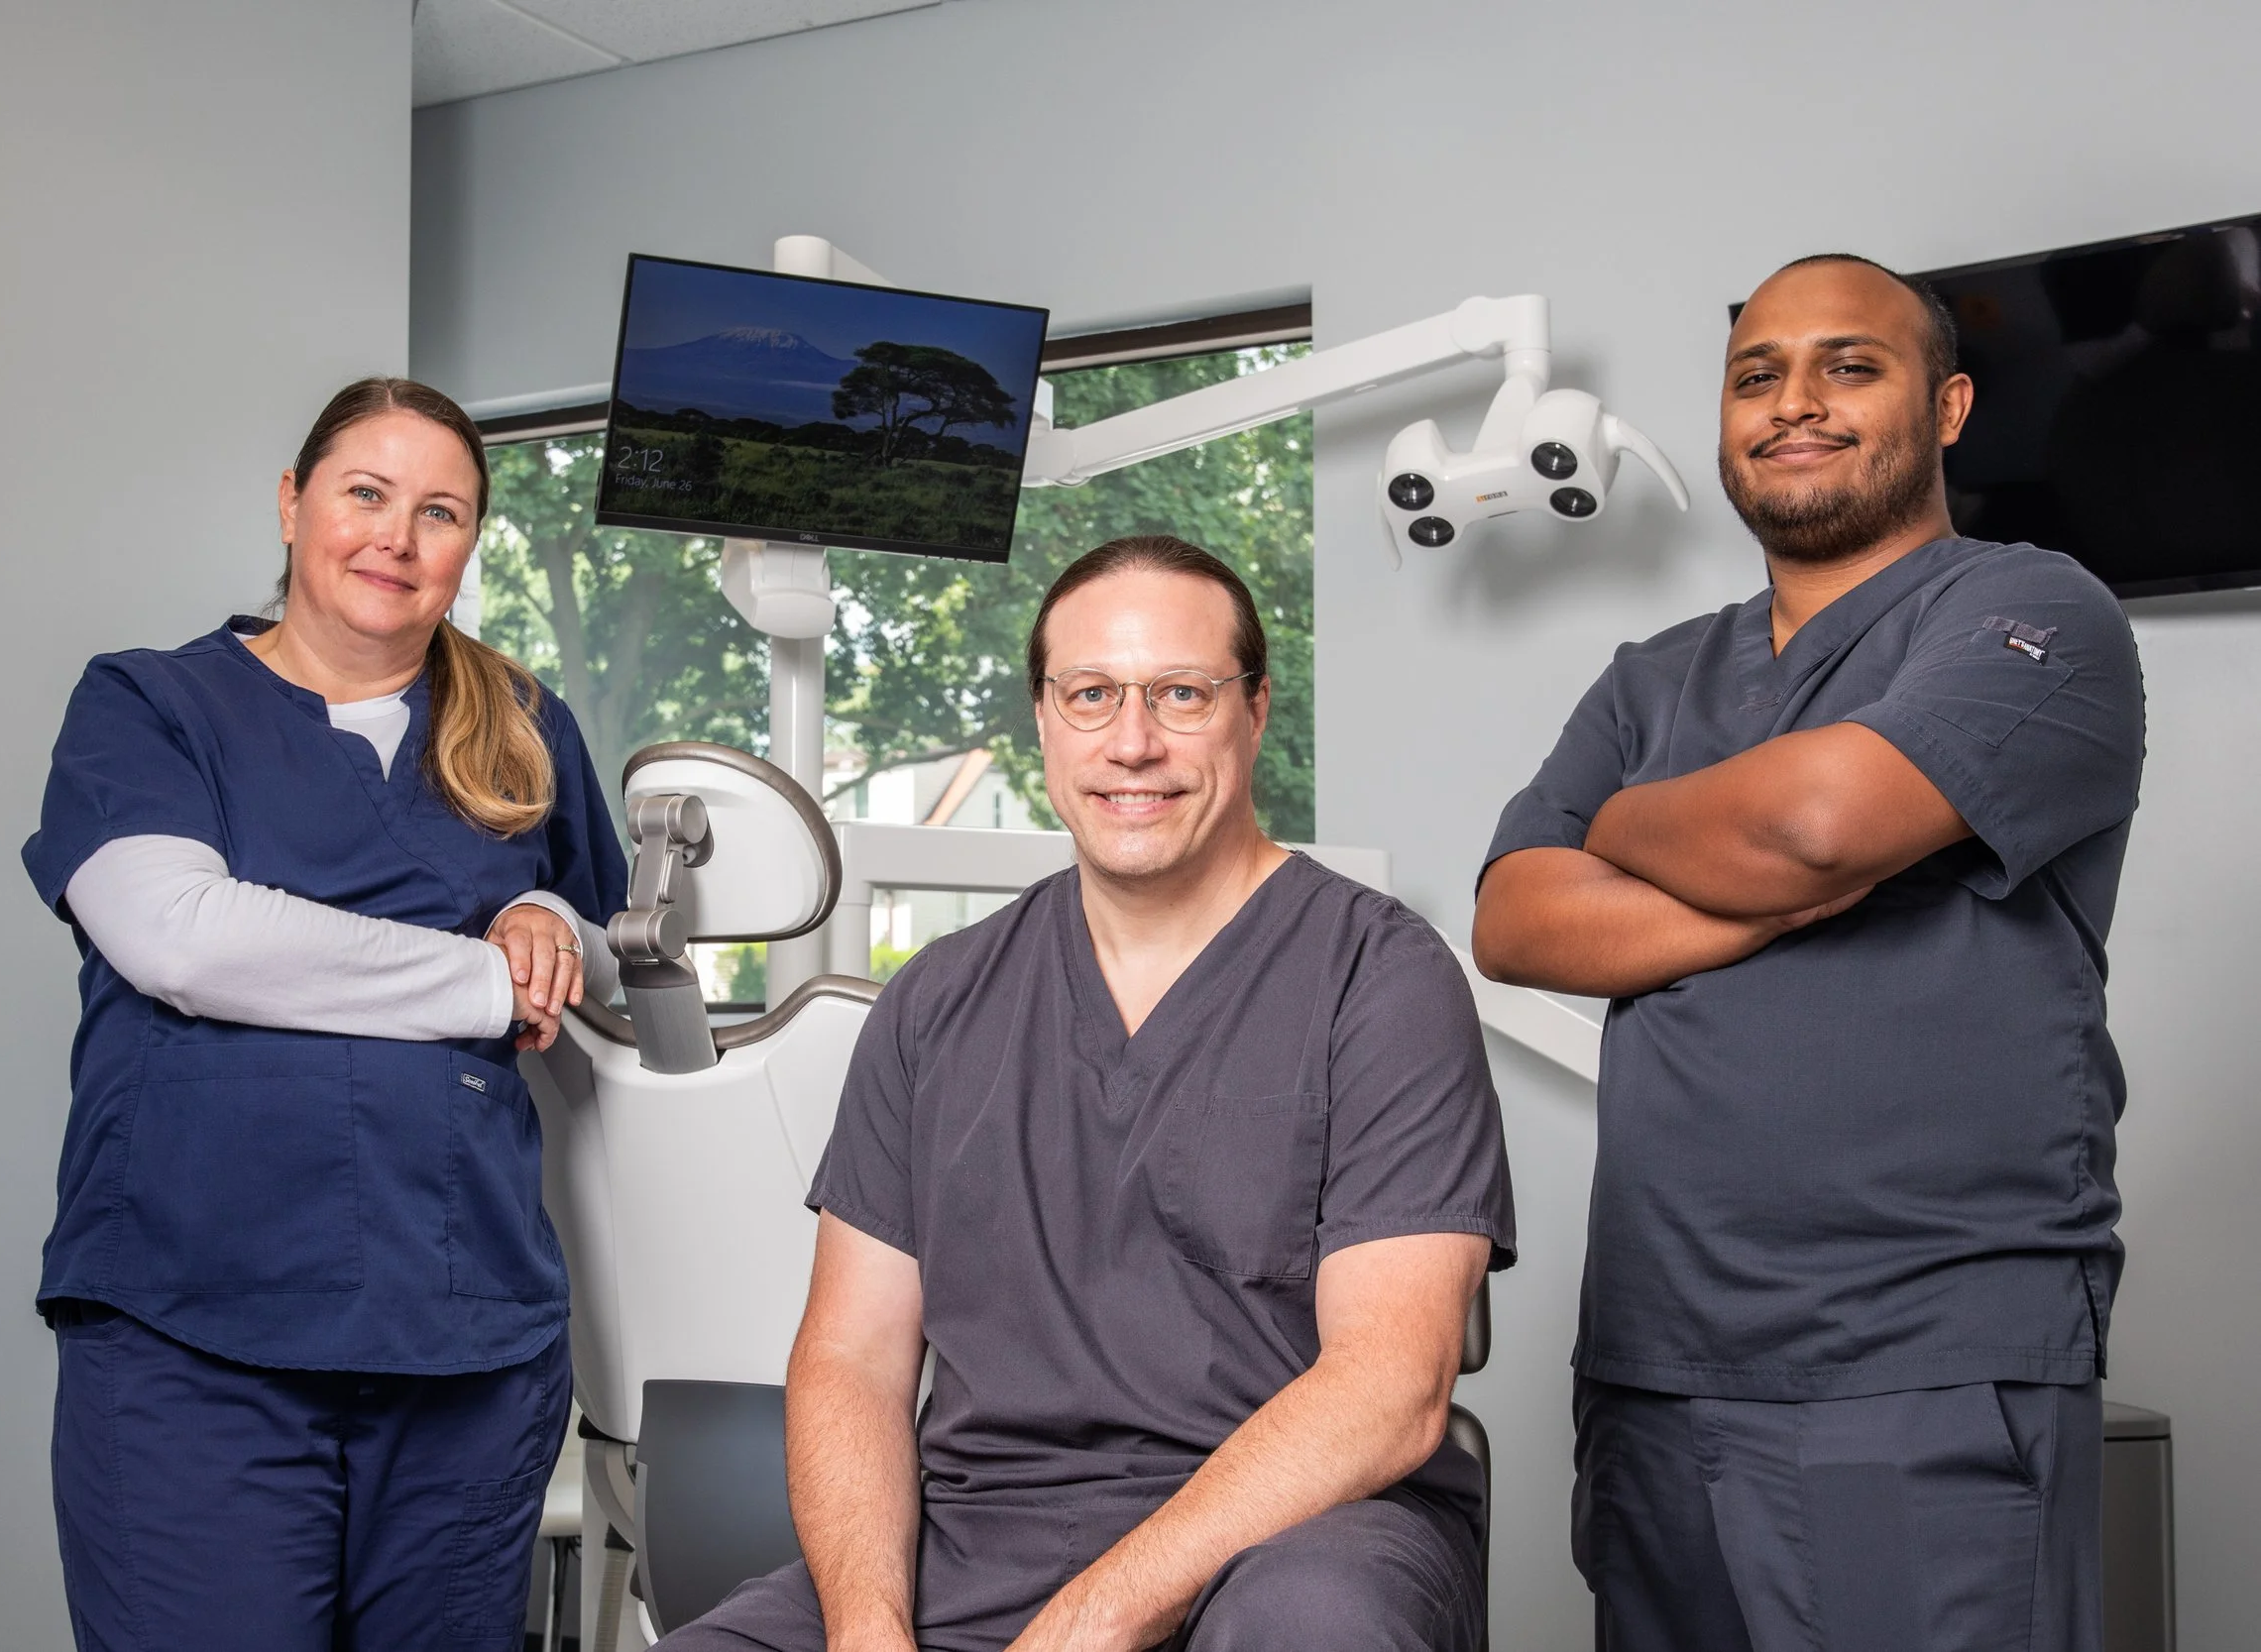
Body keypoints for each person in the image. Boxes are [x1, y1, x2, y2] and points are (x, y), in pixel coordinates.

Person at [659, 535, 1516, 1652]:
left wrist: (1086, 1625)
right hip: (977, 1542)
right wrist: (870, 1632)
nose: (1133, 741)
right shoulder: (937, 1001)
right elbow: (853, 1357)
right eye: (1092, 693)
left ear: (1254, 710)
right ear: (1044, 717)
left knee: (1313, 1624)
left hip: (1293, 1536)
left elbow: (1391, 1380)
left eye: (1180, 693)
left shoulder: (1379, 980)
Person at [1475, 256, 2144, 1651]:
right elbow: (1520, 918)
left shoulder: (2037, 612)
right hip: (1657, 1366)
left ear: (1949, 406)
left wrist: (1638, 821)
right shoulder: (1651, 673)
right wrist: (1779, 878)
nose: (1796, 402)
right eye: (1756, 373)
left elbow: (1822, 822)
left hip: (1922, 1362)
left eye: (1851, 365)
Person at [21, 378, 627, 1650]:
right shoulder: (148, 704)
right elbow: (179, 935)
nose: (395, 538)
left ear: (470, 543)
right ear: (294, 503)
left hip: (465, 1341)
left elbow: (608, 944)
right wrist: (481, 976)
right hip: (195, 1335)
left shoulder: (518, 724)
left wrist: (552, 930)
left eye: (441, 511)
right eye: (365, 493)